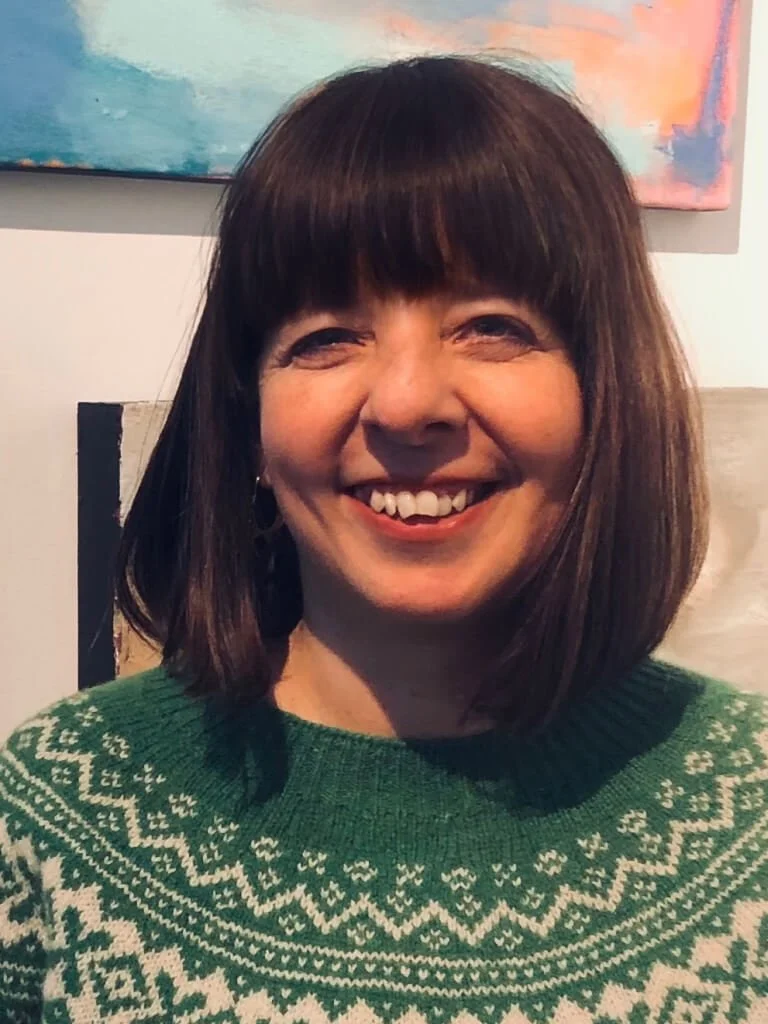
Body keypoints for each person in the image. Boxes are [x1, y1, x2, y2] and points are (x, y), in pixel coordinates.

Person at [1, 53, 766, 1024]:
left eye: (494, 325)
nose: (407, 404)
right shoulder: (60, 812)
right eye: (325, 337)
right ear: (247, 426)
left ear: (605, 400)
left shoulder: (751, 809)